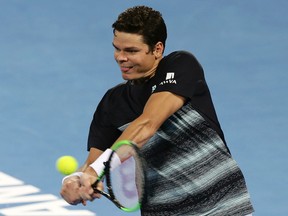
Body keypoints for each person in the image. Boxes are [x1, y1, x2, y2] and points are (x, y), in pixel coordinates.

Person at [60, 5, 254, 216]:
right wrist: (75, 181)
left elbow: (148, 123)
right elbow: (92, 163)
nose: (120, 57)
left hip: (222, 207)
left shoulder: (180, 66)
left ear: (157, 49)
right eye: (117, 48)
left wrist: (95, 171)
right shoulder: (111, 104)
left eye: (131, 51)